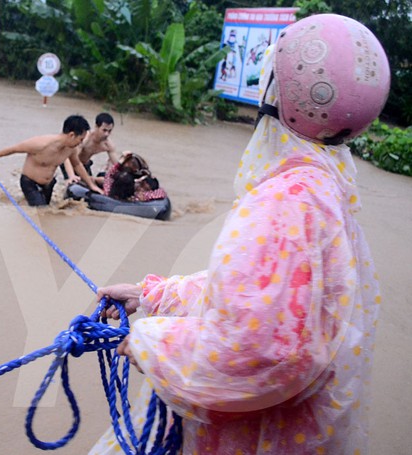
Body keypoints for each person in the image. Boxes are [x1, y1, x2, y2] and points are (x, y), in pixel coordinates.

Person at [91, 14, 389, 454]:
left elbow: (258, 348)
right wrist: (152, 295)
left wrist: (149, 342)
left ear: (281, 95)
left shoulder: (287, 201)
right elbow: (260, 297)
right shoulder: (326, 187)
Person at [0, 115, 103, 206]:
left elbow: (77, 164)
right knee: (41, 212)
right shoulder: (41, 144)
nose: (80, 143)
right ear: (71, 135)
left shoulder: (71, 149)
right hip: (30, 183)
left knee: (48, 210)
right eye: (80, 139)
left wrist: (91, 185)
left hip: (48, 184)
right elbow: (13, 149)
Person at [61, 112, 119, 185]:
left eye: (109, 131)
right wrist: (71, 175)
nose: (106, 134)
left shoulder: (108, 145)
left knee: (92, 184)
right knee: (74, 184)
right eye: (104, 130)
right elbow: (69, 156)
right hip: (70, 161)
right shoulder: (85, 138)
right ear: (96, 127)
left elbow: (117, 165)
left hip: (85, 164)